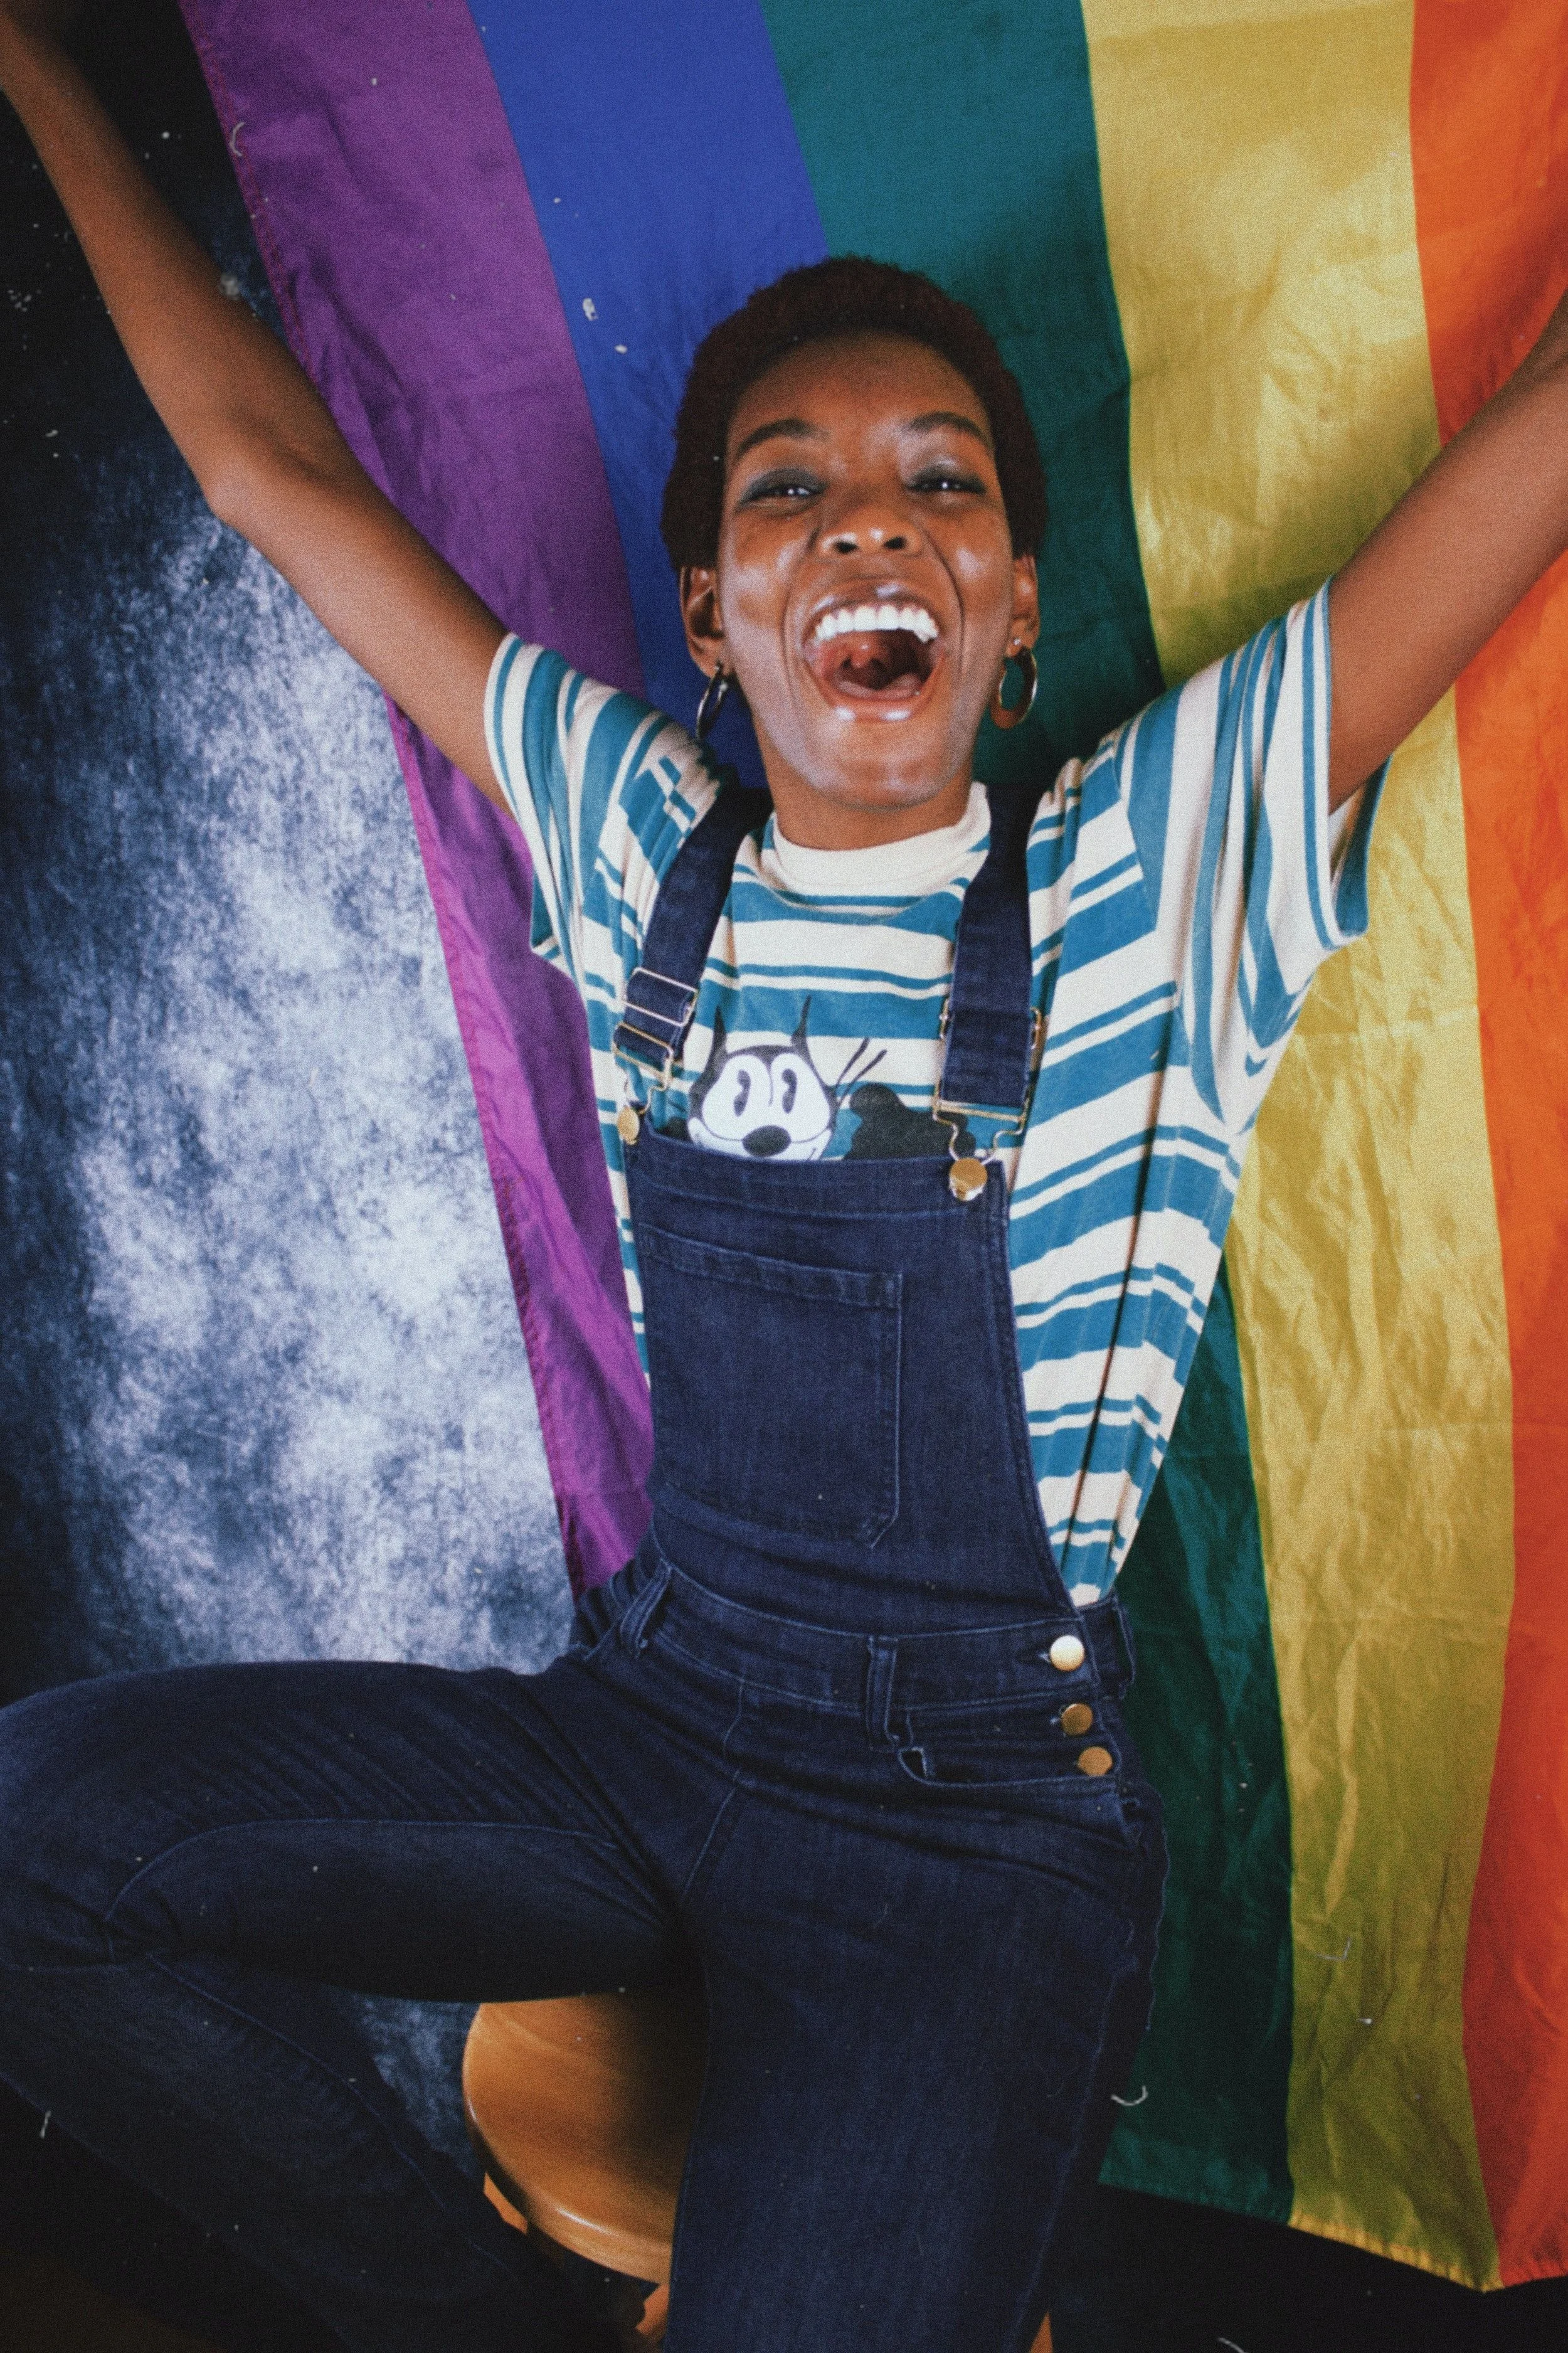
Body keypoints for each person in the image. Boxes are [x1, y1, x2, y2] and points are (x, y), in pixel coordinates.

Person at [2, 7, 1566, 2351]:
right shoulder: (634, 835)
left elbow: (1537, 458)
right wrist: (30, 68)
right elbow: (267, 474)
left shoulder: (1160, 855)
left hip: (965, 1851)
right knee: (37, 1830)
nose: (870, 517)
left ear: (1013, 611)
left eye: (946, 482)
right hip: (646, 1732)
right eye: (784, 489)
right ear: (721, 628)